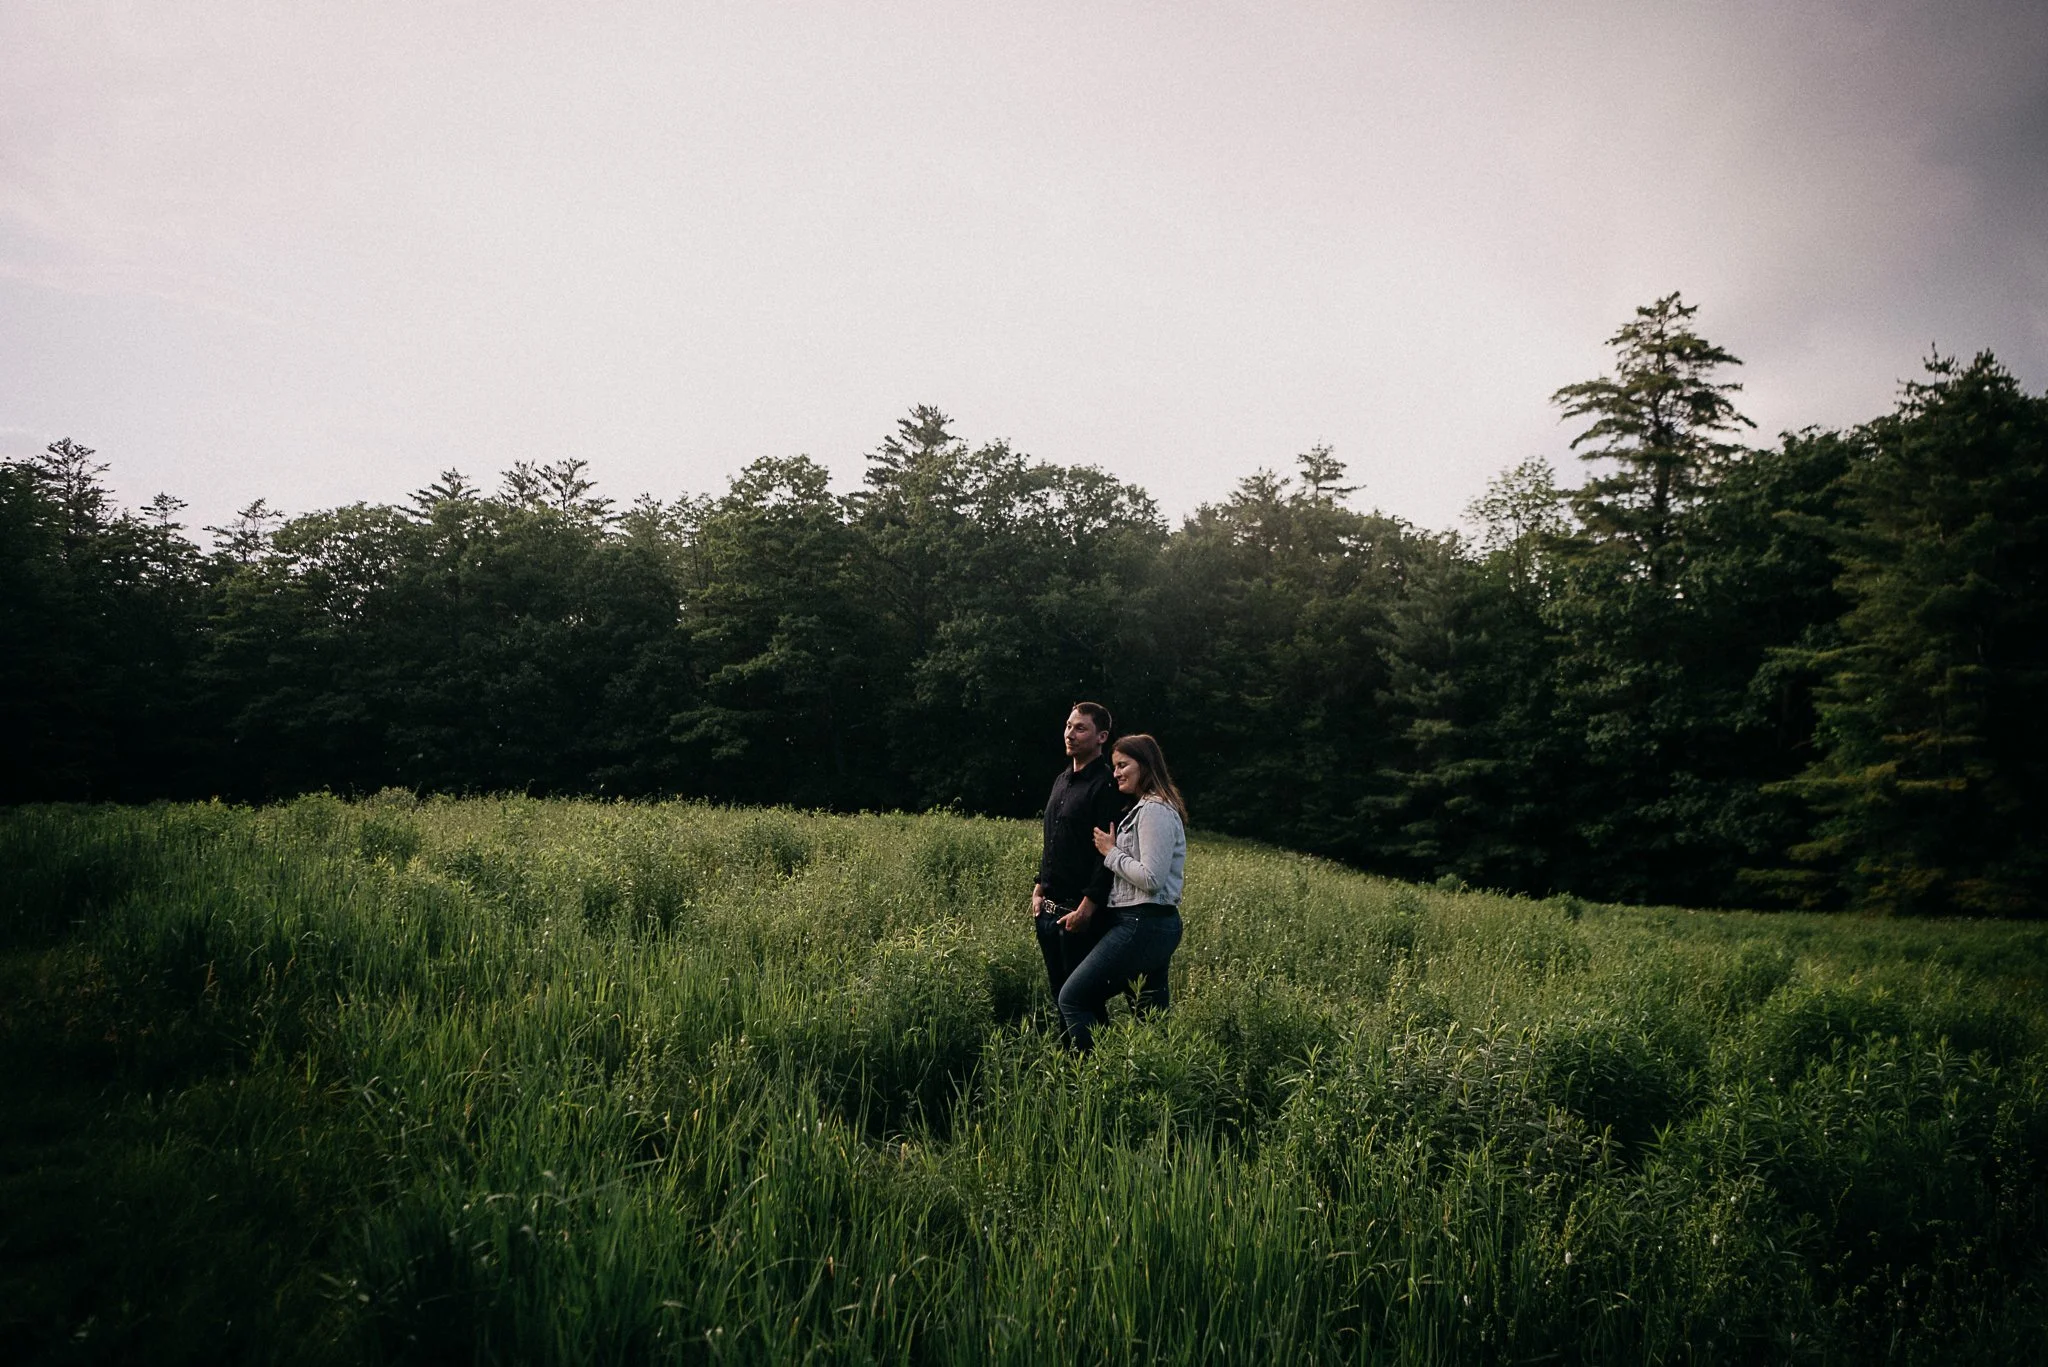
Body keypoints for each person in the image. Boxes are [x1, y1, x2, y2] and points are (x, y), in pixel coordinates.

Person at [1056, 733, 1187, 1052]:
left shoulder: (1154, 810)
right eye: (1114, 767)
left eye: (1123, 765)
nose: (1115, 773)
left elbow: (1151, 878)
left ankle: (1093, 1072)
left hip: (1143, 923)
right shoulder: (1143, 808)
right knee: (1151, 1020)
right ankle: (1150, 1077)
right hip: (1151, 923)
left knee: (1072, 998)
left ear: (1145, 765)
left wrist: (1111, 852)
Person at [1031, 703, 1128, 1005]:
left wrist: (1086, 909)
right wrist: (1038, 887)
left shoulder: (1106, 785)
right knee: (1060, 998)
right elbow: (1055, 840)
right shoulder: (1061, 780)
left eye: (1080, 728)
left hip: (1080, 917)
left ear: (1102, 737)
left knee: (1082, 1004)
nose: (1070, 734)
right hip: (1047, 912)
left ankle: (1088, 1044)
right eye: (1068, 726)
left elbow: (1106, 854)